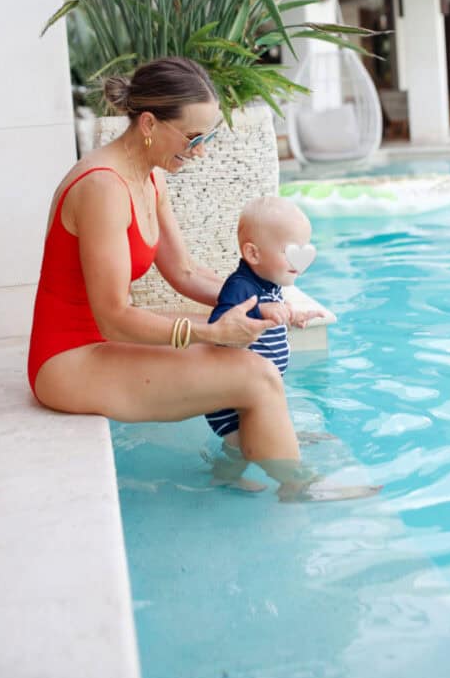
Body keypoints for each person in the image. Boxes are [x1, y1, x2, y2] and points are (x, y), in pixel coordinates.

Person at [29, 56, 379, 502]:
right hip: (68, 361)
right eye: (194, 138)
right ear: (150, 123)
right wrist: (212, 330)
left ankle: (254, 446)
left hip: (100, 338)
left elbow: (185, 272)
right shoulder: (103, 188)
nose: (201, 151)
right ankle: (297, 486)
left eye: (208, 137)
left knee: (247, 354)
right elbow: (114, 316)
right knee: (256, 375)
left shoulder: (146, 179)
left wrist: (272, 304)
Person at [204, 196, 328, 492]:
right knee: (238, 447)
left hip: (254, 392)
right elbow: (221, 322)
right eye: (290, 252)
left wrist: (293, 316)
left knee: (259, 433)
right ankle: (225, 479)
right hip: (230, 400)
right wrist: (260, 310)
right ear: (253, 253)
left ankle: (280, 457)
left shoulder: (268, 285)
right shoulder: (240, 287)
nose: (300, 262)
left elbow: (273, 308)